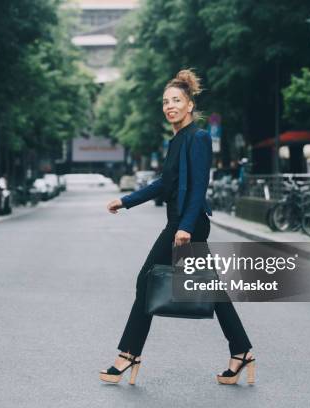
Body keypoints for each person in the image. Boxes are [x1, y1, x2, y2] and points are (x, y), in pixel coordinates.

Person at [100, 69, 255, 386]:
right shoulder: (177, 140)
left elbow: (199, 186)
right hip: (183, 222)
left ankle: (129, 353)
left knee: (146, 281)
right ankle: (241, 352)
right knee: (211, 290)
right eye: (165, 101)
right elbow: (163, 183)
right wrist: (126, 201)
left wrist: (184, 227)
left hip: (188, 223)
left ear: (189, 105)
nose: (169, 106)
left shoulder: (197, 138)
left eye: (176, 100)